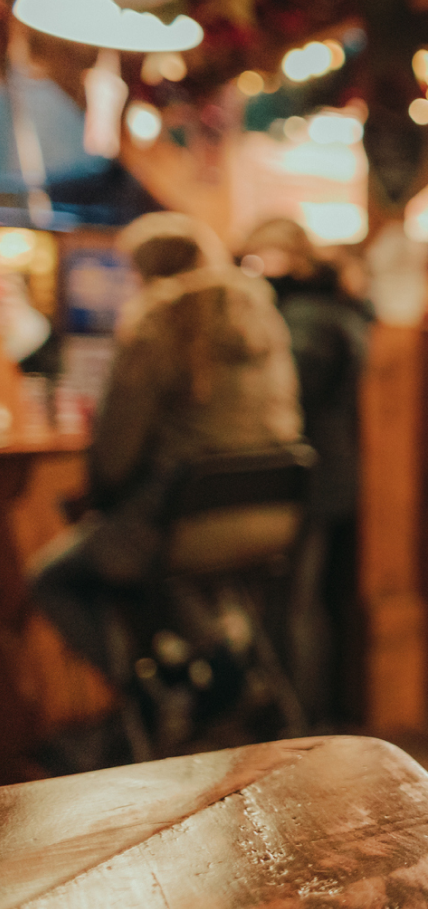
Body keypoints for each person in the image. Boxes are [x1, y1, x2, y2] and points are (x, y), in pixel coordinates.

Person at [30, 212, 301, 682]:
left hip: (181, 527)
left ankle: (147, 697)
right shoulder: (264, 317)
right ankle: (217, 672)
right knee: (179, 578)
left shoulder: (158, 321)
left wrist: (99, 493)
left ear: (143, 270)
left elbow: (113, 458)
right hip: (268, 522)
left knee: (51, 577)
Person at [236, 218, 373, 727]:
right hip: (328, 472)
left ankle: (296, 720)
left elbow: (294, 392)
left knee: (293, 605)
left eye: (260, 258)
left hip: (307, 476)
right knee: (306, 601)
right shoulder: (332, 307)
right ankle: (308, 711)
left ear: (291, 259)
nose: (252, 269)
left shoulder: (304, 316)